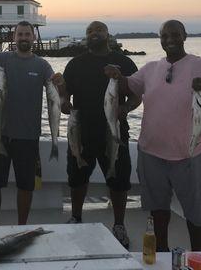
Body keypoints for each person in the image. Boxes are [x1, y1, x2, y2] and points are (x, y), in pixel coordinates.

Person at [105, 19, 201, 252]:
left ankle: (196, 257)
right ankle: (162, 255)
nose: (170, 39)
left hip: (190, 155)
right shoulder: (151, 68)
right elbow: (127, 87)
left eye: (175, 34)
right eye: (165, 36)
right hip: (151, 154)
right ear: (160, 39)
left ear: (185, 36)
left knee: (196, 214)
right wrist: (116, 75)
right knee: (158, 211)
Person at [0, 21, 61, 226]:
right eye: (20, 34)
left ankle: (22, 225)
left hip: (28, 137)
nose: (24, 38)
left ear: (33, 37)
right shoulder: (1, 58)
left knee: (26, 186)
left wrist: (60, 83)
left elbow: (55, 91)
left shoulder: (42, 65)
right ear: (14, 37)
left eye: (27, 34)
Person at [58, 21, 141, 248]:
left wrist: (126, 108)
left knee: (119, 180)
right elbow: (66, 93)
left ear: (107, 34)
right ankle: (76, 217)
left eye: (99, 30)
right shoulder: (75, 63)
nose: (94, 34)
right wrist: (64, 102)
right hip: (81, 130)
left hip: (114, 130)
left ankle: (119, 225)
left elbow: (137, 94)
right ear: (86, 37)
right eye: (90, 31)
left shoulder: (123, 62)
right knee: (77, 176)